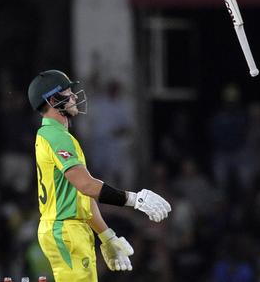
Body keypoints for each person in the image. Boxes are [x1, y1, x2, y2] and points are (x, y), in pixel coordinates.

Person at [27, 70, 171, 281]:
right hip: (66, 230)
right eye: (68, 92)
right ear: (52, 99)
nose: (75, 96)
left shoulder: (55, 135)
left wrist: (106, 235)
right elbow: (86, 185)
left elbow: (82, 195)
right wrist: (135, 199)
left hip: (70, 228)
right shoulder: (57, 137)